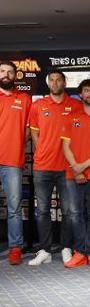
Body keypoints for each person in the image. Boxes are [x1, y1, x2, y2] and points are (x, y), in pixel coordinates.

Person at [28, 70, 80, 266]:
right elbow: (34, 132)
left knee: (67, 211)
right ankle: (45, 250)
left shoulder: (75, 105)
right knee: (42, 210)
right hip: (43, 166)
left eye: (59, 79)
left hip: (67, 167)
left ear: (64, 82)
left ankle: (66, 247)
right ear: (48, 83)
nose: (55, 82)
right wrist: (43, 149)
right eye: (52, 80)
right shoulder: (38, 105)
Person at [61, 79, 90, 268]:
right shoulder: (72, 116)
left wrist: (83, 166)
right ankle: (80, 252)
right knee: (76, 214)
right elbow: (65, 146)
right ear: (80, 94)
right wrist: (76, 167)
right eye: (86, 91)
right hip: (73, 174)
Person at [0, 60, 32, 265]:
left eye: (10, 72)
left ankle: (15, 248)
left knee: (13, 207)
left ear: (15, 76)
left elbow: (29, 130)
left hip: (12, 159)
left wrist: (16, 144)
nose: (6, 74)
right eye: (3, 71)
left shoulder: (25, 98)